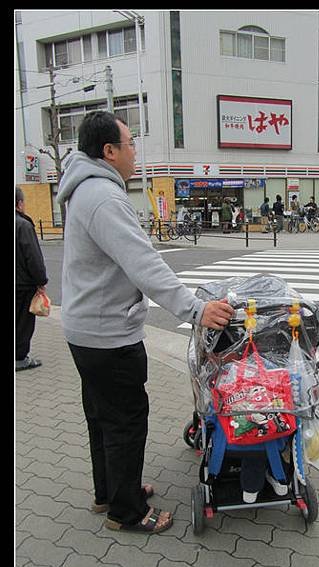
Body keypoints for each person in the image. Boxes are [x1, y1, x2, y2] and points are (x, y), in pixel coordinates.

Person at [56, 111, 234, 535]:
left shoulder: (85, 191)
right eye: (131, 143)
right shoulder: (103, 196)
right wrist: (195, 309)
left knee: (101, 418)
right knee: (125, 420)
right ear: (109, 151)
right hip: (108, 335)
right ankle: (128, 511)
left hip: (86, 329)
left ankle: (111, 493)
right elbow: (145, 264)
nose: (136, 152)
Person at [15, 186, 49, 372]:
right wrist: (41, 280)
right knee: (22, 323)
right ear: (19, 204)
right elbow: (33, 256)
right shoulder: (23, 225)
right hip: (21, 284)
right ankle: (19, 357)